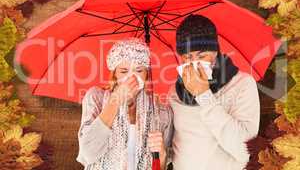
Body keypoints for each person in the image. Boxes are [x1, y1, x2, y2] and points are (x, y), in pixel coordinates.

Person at [167, 14, 260, 170]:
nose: (194, 63)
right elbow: (175, 147)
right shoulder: (174, 92)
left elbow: (245, 150)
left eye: (201, 56)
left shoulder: (242, 84)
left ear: (216, 52)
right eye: (187, 57)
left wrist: (204, 96)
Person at [76, 39, 173, 170]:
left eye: (139, 70)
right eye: (123, 71)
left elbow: (161, 167)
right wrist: (115, 100)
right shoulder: (96, 98)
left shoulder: (161, 113)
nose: (131, 77)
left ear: (146, 74)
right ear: (114, 73)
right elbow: (87, 154)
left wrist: (161, 156)